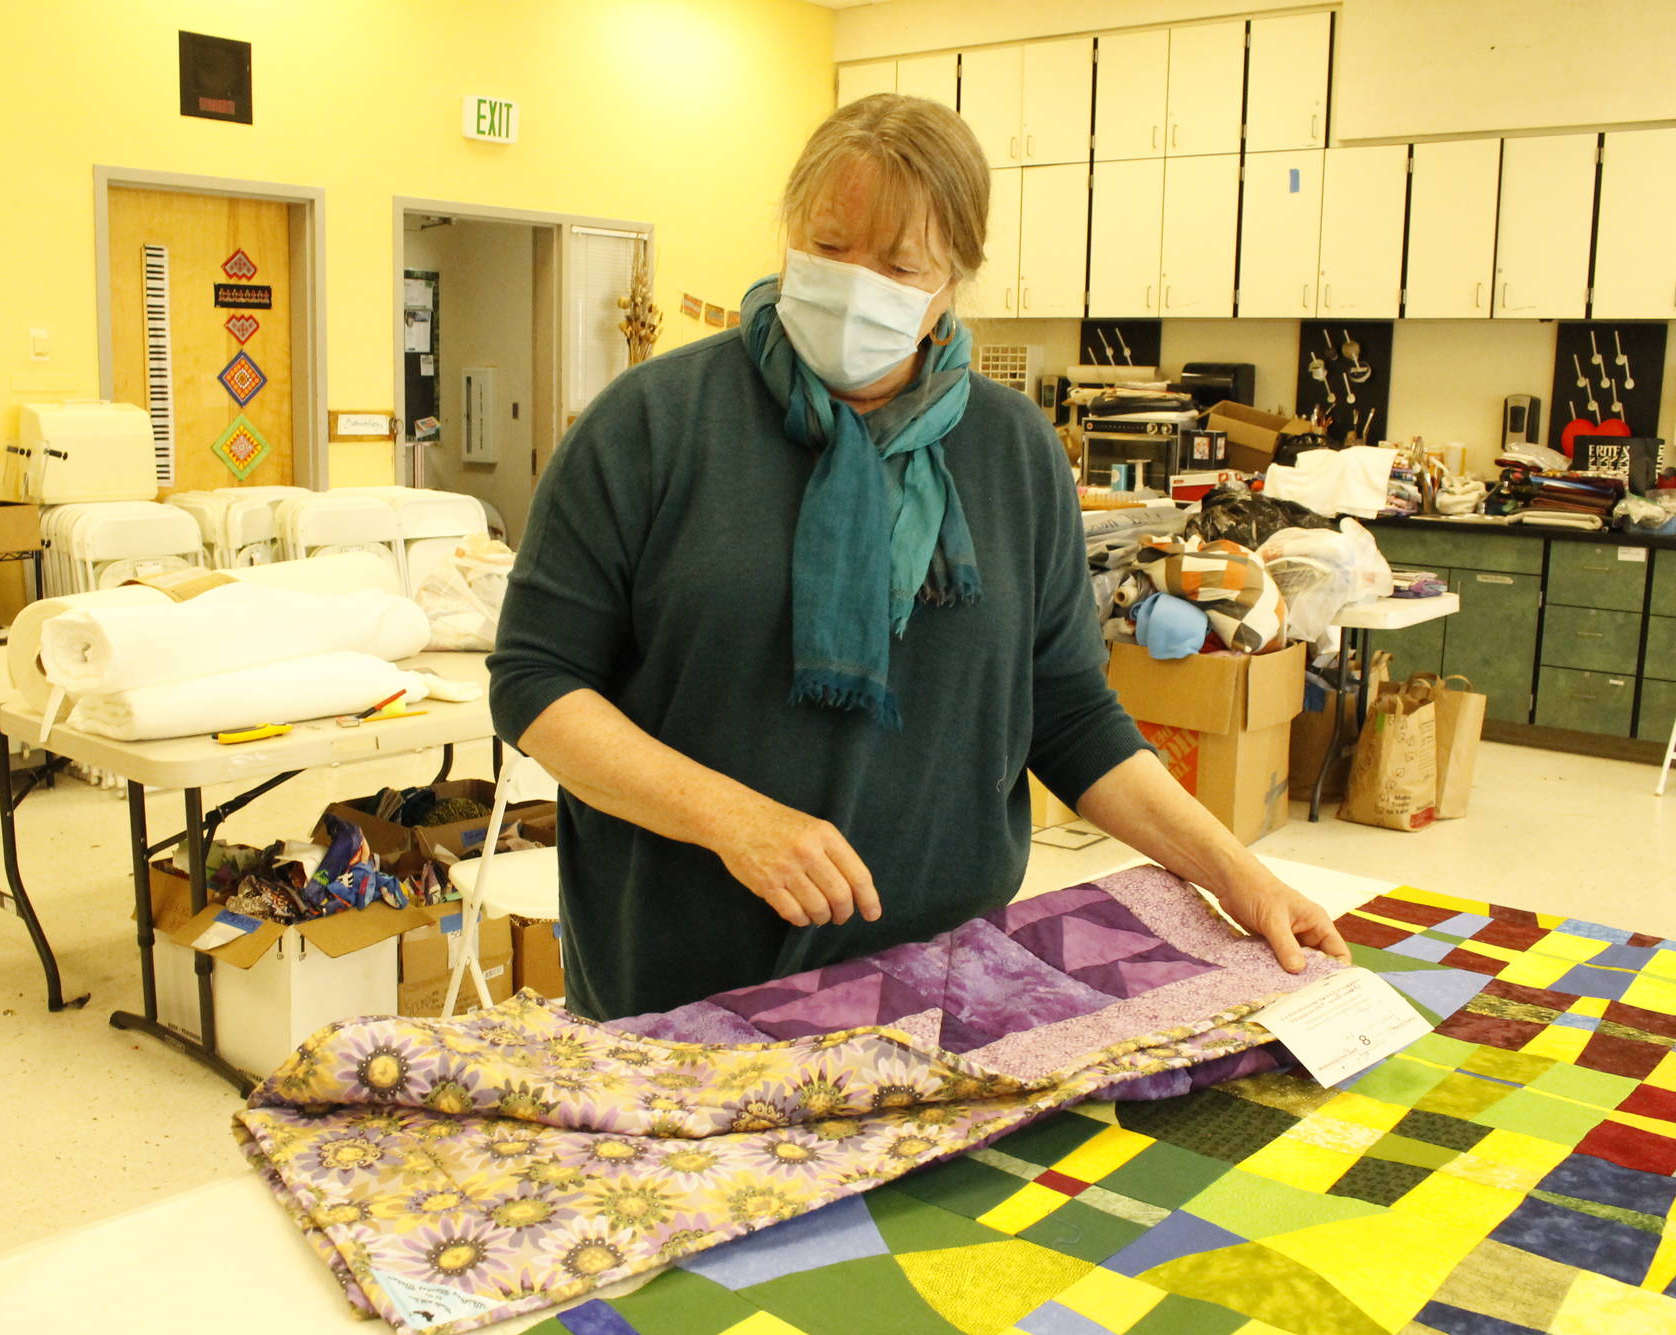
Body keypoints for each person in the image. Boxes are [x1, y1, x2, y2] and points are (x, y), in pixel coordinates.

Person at [488, 94, 1348, 1021]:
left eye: (899, 265)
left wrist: (1240, 877)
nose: (856, 283)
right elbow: (536, 682)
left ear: (954, 279)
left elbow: (1069, 716)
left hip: (947, 982)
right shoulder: (651, 426)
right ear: (787, 233)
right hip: (684, 990)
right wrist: (731, 819)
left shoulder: (1013, 450)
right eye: (827, 246)